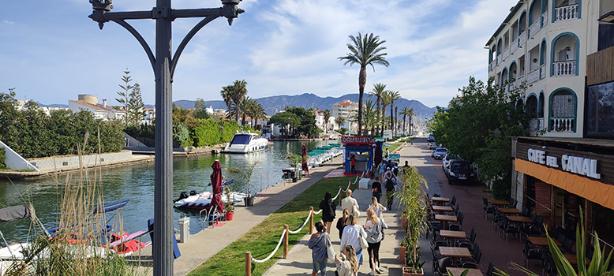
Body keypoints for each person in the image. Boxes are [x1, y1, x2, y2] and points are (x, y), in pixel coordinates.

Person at [364, 209, 384, 274]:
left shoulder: (368, 222)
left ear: (368, 214)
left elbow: (366, 229)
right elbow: (382, 227)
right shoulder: (378, 219)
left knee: (371, 255)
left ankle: (372, 270)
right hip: (378, 240)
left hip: (370, 240)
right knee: (376, 253)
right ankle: (377, 266)